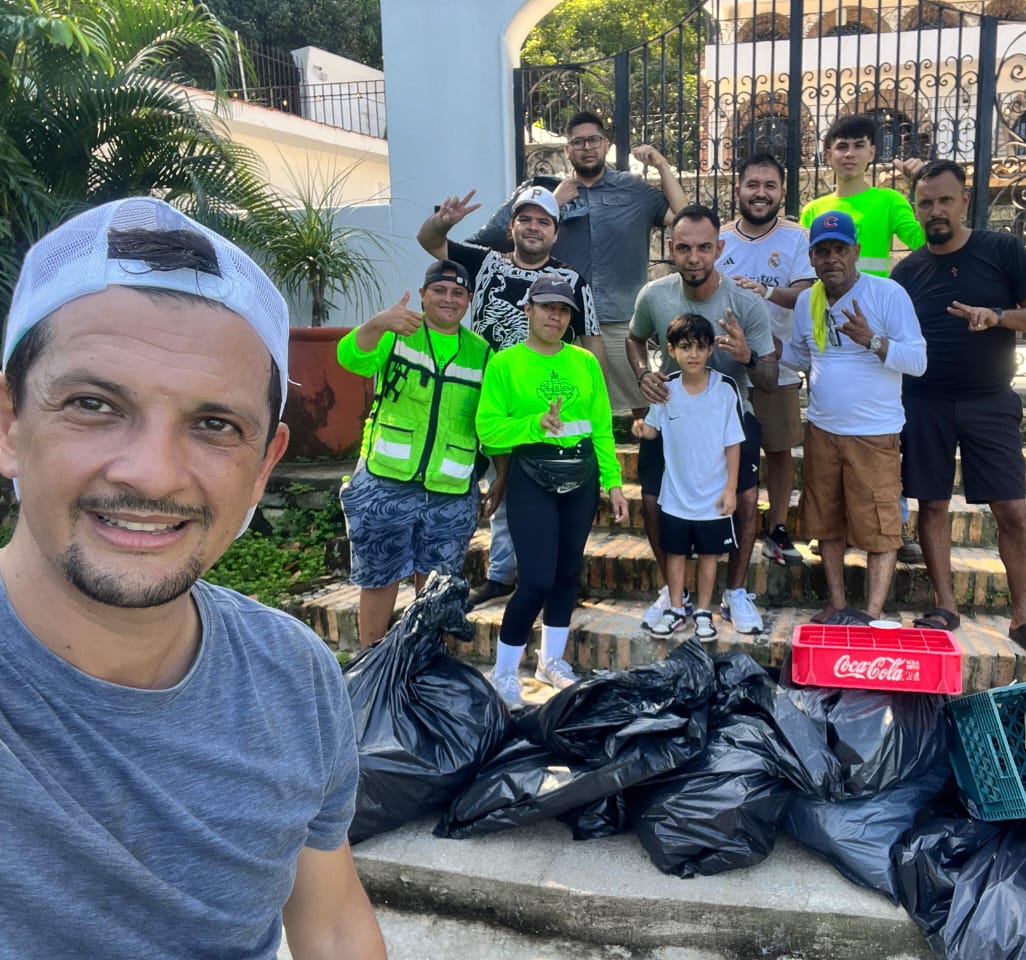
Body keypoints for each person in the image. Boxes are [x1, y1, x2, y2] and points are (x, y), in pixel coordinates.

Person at [0, 197, 384, 957]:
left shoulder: (294, 676)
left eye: (214, 425)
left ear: (263, 467)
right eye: (92, 404)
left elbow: (331, 918)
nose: (152, 474)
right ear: (9, 426)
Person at [891, 159, 1026, 662]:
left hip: (990, 400)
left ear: (964, 200)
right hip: (924, 402)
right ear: (915, 208)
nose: (935, 210)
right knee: (932, 504)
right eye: (925, 202)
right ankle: (945, 605)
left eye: (945, 199)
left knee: (1011, 509)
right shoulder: (908, 271)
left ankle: (1024, 616)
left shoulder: (1002, 250)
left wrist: (998, 317)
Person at [417, 185, 603, 610]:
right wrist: (443, 221)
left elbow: (591, 341)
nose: (534, 228)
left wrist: (595, 405)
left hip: (548, 407)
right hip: (484, 399)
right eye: (526, 219)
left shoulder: (572, 281)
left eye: (544, 222)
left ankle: (555, 579)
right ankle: (499, 576)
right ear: (511, 226)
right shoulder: (483, 262)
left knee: (548, 492)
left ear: (555, 233)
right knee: (491, 488)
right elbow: (429, 241)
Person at [466, 110, 688, 413]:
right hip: (564, 322)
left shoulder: (633, 189)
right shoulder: (547, 192)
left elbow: (684, 220)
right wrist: (554, 202)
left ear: (606, 144)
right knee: (566, 406)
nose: (587, 147)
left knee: (642, 408)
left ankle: (640, 460)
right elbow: (511, 236)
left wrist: (661, 164)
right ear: (567, 149)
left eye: (594, 140)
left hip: (619, 319)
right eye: (578, 142)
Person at [475, 275, 628, 709]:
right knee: (536, 578)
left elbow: (600, 426)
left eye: (562, 310)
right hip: (531, 476)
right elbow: (487, 429)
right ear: (528, 309)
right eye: (546, 307)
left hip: (579, 478)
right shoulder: (506, 363)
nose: (554, 316)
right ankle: (504, 670)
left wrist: (613, 482)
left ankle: (550, 662)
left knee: (565, 575)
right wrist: (534, 425)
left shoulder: (584, 362)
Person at [628, 204, 779, 637]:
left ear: (720, 247)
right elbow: (634, 339)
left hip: (730, 416)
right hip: (672, 414)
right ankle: (673, 595)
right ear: (671, 249)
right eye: (683, 248)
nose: (694, 257)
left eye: (703, 248)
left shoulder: (744, 302)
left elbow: (768, 379)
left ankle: (733, 591)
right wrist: (643, 374)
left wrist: (746, 355)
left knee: (746, 499)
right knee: (654, 500)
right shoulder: (653, 296)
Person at [337, 259, 491, 649]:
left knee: (436, 590)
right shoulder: (397, 331)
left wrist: (499, 475)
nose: (448, 299)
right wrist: (375, 324)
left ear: (469, 301)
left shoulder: (482, 353)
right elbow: (350, 359)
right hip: (385, 482)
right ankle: (370, 664)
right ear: (423, 295)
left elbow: (489, 423)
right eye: (439, 290)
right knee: (379, 579)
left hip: (451, 490)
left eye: (458, 293)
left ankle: (423, 667)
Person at [781, 211, 926, 624]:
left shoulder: (887, 294)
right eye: (822, 251)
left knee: (880, 527)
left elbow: (917, 360)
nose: (832, 258)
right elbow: (797, 358)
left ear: (856, 252)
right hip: (823, 431)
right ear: (811, 258)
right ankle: (839, 605)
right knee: (825, 522)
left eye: (840, 249)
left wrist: (873, 341)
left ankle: (873, 613)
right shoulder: (808, 302)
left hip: (874, 436)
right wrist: (755, 354)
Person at [800, 113, 928, 563]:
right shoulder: (813, 209)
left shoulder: (890, 200)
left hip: (877, 322)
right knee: (829, 428)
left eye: (858, 145)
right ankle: (829, 527)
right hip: (829, 323)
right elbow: (807, 272)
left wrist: (920, 185)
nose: (849, 153)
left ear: (872, 152)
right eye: (841, 146)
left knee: (885, 433)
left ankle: (896, 522)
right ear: (828, 155)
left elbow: (926, 241)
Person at [717, 152, 816, 567]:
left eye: (769, 186)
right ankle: (721, 524)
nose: (761, 194)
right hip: (722, 363)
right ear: (738, 189)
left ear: (781, 192)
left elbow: (805, 292)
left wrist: (764, 291)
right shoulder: (718, 236)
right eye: (753, 185)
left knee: (777, 449)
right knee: (722, 447)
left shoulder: (798, 237)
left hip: (779, 360)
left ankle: (776, 529)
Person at [632, 314, 744, 641]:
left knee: (710, 557)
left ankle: (705, 611)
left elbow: (733, 443)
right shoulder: (666, 390)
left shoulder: (724, 391)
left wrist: (731, 489)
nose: (692, 354)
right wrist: (641, 429)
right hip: (675, 496)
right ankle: (677, 609)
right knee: (675, 554)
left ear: (710, 350)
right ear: (671, 350)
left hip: (712, 497)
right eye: (684, 347)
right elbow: (653, 429)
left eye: (699, 347)